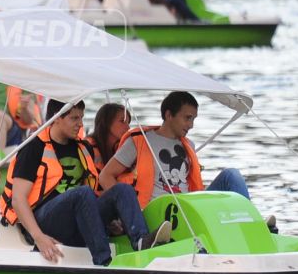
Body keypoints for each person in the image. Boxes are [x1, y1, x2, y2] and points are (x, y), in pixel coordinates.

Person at [8, 99, 148, 266]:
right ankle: (104, 261)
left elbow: (91, 197)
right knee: (82, 193)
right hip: (44, 221)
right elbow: (18, 199)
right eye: (74, 118)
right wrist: (39, 237)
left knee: (122, 190)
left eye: (81, 118)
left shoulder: (83, 148)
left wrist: (108, 220)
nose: (80, 124)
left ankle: (143, 244)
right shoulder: (34, 148)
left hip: (75, 218)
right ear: (57, 118)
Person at [102, 92, 250, 214]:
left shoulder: (188, 145)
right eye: (187, 118)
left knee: (231, 175)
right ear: (169, 115)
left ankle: (253, 224)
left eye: (193, 119)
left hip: (190, 208)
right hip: (155, 212)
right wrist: (128, 210)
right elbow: (105, 176)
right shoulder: (139, 141)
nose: (191, 125)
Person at [88, 102, 130, 166]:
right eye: (122, 121)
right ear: (106, 122)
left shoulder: (126, 147)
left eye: (128, 123)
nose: (128, 127)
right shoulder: (88, 147)